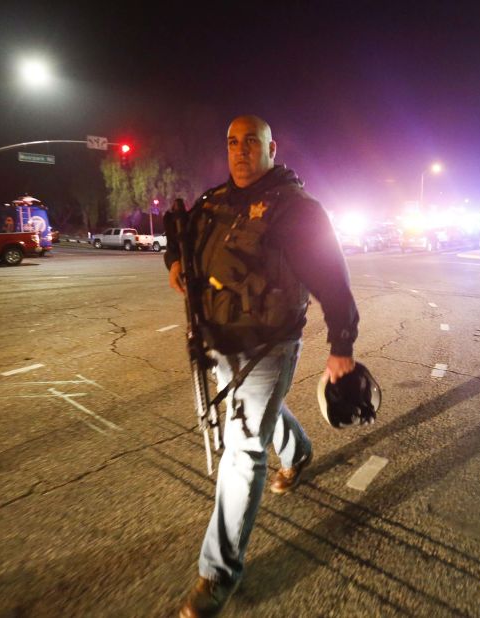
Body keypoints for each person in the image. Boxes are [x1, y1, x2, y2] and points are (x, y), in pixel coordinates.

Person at [166, 115, 359, 617]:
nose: (241, 151)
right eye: (232, 141)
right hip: (219, 340)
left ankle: (218, 573)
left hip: (270, 344)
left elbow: (333, 280)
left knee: (243, 449)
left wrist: (342, 346)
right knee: (256, 415)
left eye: (252, 141)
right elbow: (182, 235)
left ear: (272, 147)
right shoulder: (213, 202)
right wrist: (172, 260)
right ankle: (299, 450)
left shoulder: (297, 211)